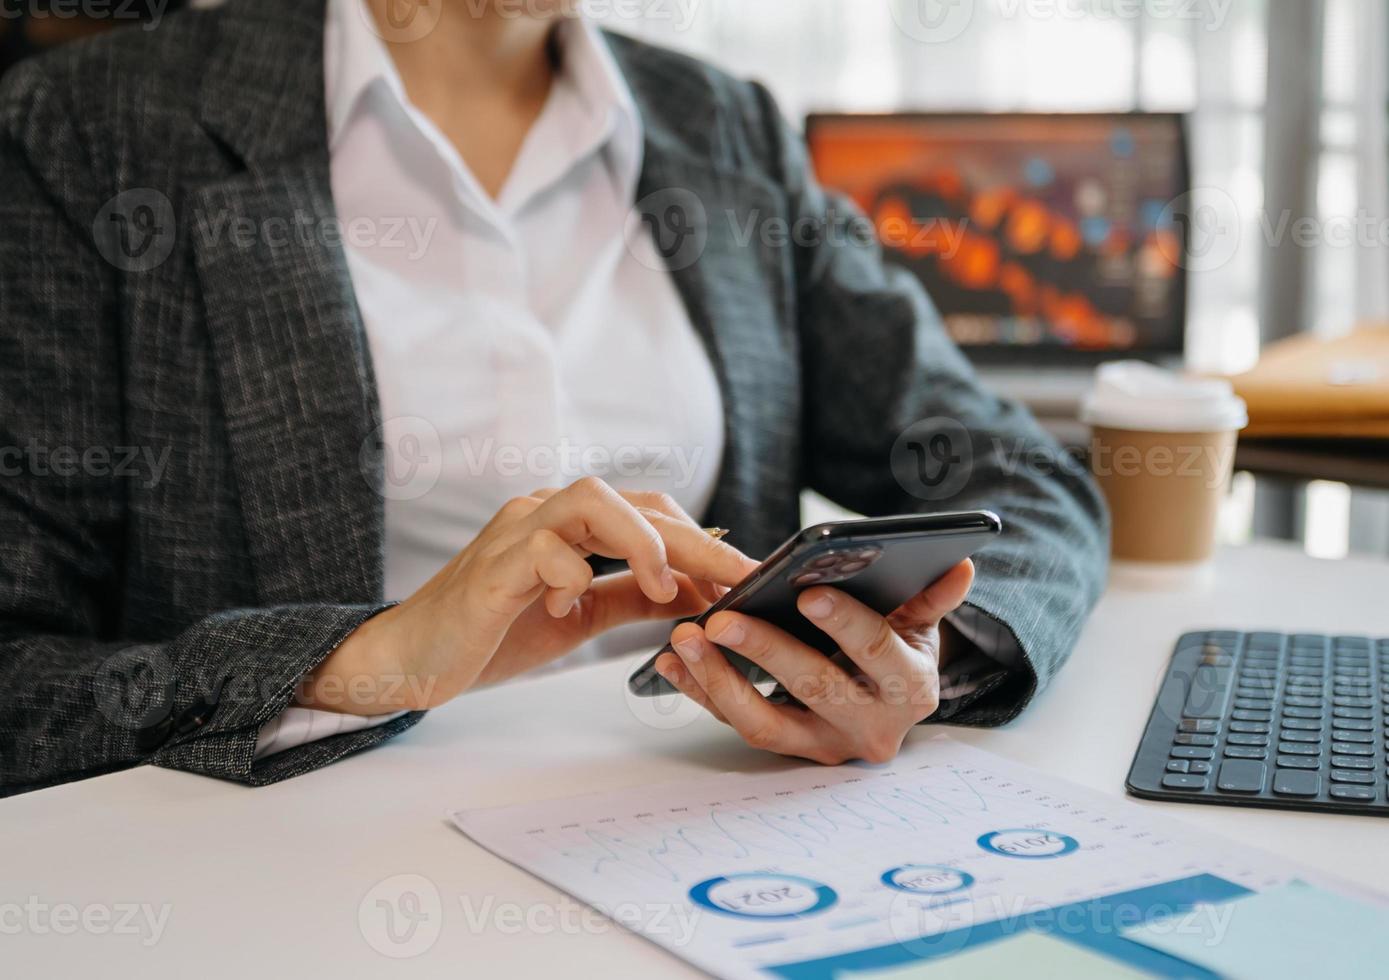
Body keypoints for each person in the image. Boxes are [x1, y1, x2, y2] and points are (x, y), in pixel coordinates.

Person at [0, 0, 1107, 796]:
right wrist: (367, 660)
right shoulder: (88, 128)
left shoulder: (726, 128)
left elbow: (1020, 475)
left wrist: (924, 652)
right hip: (304, 873)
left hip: (714, 822)